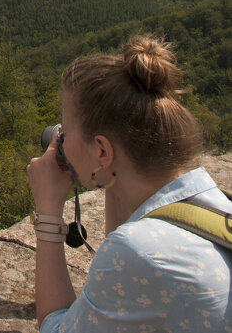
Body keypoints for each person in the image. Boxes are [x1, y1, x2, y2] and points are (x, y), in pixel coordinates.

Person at [27, 36, 232, 332]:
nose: (62, 141)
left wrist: (47, 210)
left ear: (102, 151)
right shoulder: (213, 205)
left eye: (66, 133)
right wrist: (107, 175)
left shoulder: (138, 252)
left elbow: (54, 327)